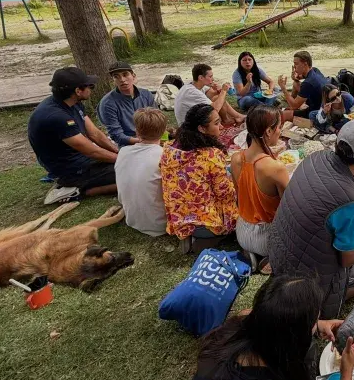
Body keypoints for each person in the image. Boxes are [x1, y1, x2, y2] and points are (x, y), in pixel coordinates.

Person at [178, 275, 354, 380]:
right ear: (292, 340)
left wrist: (318, 325)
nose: (317, 322)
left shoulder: (241, 322)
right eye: (315, 319)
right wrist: (346, 375)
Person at [268, 118, 354, 318]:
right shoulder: (352, 201)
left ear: (338, 143)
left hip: (278, 255)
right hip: (307, 283)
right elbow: (348, 259)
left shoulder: (315, 157)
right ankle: (319, 307)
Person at [28, 67, 119, 198]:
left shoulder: (73, 103)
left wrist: (118, 152)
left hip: (82, 159)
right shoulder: (57, 117)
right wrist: (124, 160)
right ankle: (77, 191)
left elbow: (94, 134)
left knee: (130, 166)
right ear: (78, 91)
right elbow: (91, 151)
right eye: (90, 86)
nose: (91, 89)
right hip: (71, 170)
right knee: (131, 173)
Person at [161, 103, 239, 248]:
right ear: (202, 128)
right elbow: (225, 194)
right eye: (217, 123)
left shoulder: (169, 149)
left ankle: (192, 237)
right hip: (206, 224)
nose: (221, 127)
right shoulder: (211, 156)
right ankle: (211, 238)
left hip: (178, 218)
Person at [230, 106, 289, 263]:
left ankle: (252, 253)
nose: (280, 131)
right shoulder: (276, 168)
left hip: (242, 230)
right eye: (279, 127)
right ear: (269, 131)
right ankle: (269, 255)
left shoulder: (236, 158)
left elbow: (241, 195)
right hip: (266, 236)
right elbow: (288, 208)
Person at [115, 108, 167, 237]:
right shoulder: (165, 156)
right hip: (161, 224)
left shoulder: (123, 152)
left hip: (131, 219)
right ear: (164, 132)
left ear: (136, 131)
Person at [96, 61, 157, 147]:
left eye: (125, 74)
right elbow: (117, 135)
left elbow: (157, 121)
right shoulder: (107, 103)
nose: (122, 80)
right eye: (116, 76)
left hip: (152, 139)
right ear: (113, 80)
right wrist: (144, 142)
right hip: (127, 145)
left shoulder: (146, 94)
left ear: (133, 76)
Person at [174, 63, 245, 127]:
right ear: (201, 78)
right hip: (188, 127)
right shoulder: (192, 92)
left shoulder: (195, 84)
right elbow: (215, 109)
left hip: (193, 119)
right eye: (210, 77)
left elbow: (210, 93)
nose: (213, 79)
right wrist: (223, 91)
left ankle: (236, 117)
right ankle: (234, 118)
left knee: (217, 97)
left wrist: (217, 90)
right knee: (214, 108)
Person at [277, 50, 328, 119]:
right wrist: (295, 77)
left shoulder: (307, 83)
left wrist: (283, 87)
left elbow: (294, 106)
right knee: (296, 83)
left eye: (296, 64)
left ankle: (292, 104)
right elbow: (300, 77)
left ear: (305, 64)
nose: (294, 67)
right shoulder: (315, 70)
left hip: (316, 112)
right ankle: (291, 101)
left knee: (284, 114)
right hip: (322, 103)